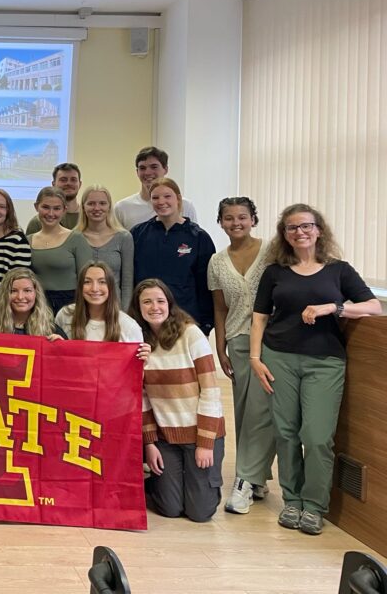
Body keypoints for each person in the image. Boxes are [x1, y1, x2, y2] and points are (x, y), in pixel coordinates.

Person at [250, 204, 381, 535]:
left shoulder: (339, 270)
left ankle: (314, 505)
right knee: (286, 433)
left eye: (306, 226)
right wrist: (255, 358)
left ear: (319, 229)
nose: (300, 232)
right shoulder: (274, 272)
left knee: (318, 437)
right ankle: (292, 501)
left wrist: (333, 308)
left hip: (325, 362)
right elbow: (260, 317)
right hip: (279, 358)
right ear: (284, 235)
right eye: (292, 228)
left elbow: (372, 306)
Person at [130, 278, 225, 523]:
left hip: (199, 433)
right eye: (147, 302)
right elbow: (141, 399)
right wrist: (149, 443)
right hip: (165, 438)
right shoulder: (138, 344)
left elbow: (211, 391)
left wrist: (206, 443)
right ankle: (159, 484)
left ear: (169, 304)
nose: (154, 307)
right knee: (170, 509)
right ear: (138, 307)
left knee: (200, 513)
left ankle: (203, 485)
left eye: (160, 301)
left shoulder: (191, 334)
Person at [207, 197, 274, 515]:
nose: (236, 223)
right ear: (220, 222)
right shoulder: (217, 262)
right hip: (238, 339)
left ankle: (246, 479)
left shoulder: (272, 252)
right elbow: (220, 309)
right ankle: (256, 477)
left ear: (253, 220)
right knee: (246, 411)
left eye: (242, 217)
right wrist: (220, 347)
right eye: (229, 218)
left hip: (274, 340)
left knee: (263, 410)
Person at [131, 177, 216, 333]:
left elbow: (206, 286)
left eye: (167, 196)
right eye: (155, 198)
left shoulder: (198, 237)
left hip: (185, 321)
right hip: (146, 322)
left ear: (178, 199)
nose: (161, 202)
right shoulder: (138, 234)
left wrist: (206, 324)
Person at [28, 186, 93, 313]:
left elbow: (87, 279)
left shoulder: (76, 239)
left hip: (70, 305)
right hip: (37, 305)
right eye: (45, 207)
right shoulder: (28, 241)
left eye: (57, 208)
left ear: (64, 210)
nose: (50, 213)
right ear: (36, 207)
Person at [56, 263, 147, 348]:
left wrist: (144, 357)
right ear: (80, 287)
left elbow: (136, 359)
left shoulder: (129, 326)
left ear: (111, 287)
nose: (94, 289)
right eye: (87, 282)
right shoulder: (65, 315)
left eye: (102, 282)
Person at [77, 186, 134, 310]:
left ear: (109, 207)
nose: (97, 208)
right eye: (91, 203)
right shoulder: (74, 237)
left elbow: (127, 283)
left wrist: (125, 313)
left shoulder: (124, 237)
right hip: (83, 309)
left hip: (115, 309)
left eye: (102, 203)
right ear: (83, 207)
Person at [114, 146, 198, 230]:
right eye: (142, 168)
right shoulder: (122, 208)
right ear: (137, 172)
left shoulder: (185, 206)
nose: (147, 172)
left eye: (154, 167)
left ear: (165, 169)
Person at [0, 268, 62, 338]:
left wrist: (61, 345)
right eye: (13, 291)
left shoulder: (51, 330)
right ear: (4, 295)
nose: (20, 297)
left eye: (27, 290)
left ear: (36, 293)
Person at [26, 162, 82, 234]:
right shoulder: (37, 223)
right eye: (63, 180)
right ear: (53, 184)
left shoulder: (88, 219)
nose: (68, 183)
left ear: (80, 184)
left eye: (73, 180)